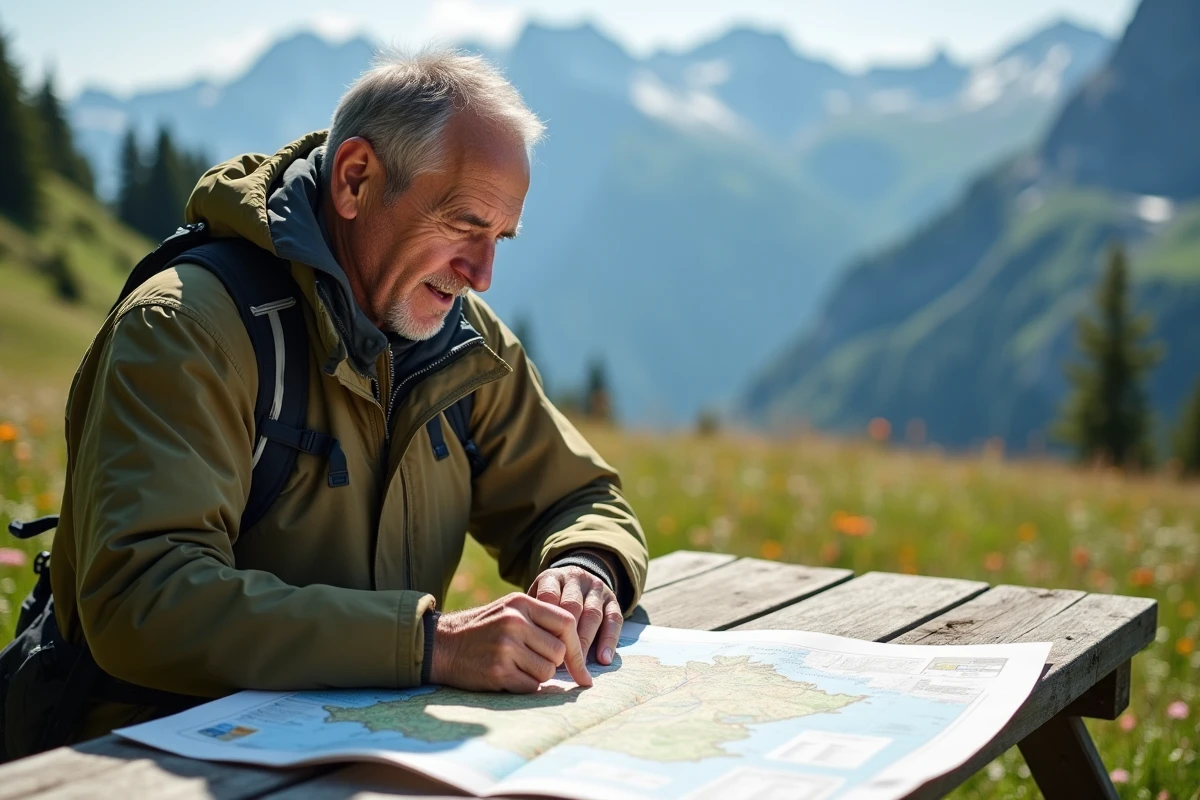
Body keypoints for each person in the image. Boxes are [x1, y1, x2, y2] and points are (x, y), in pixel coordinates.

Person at [44, 49, 648, 744]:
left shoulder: (463, 342)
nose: (482, 275)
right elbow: (142, 598)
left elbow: (580, 499)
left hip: (366, 747)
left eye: (500, 238)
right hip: (149, 759)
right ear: (356, 179)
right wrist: (431, 646)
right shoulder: (187, 327)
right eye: (464, 225)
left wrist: (584, 564)